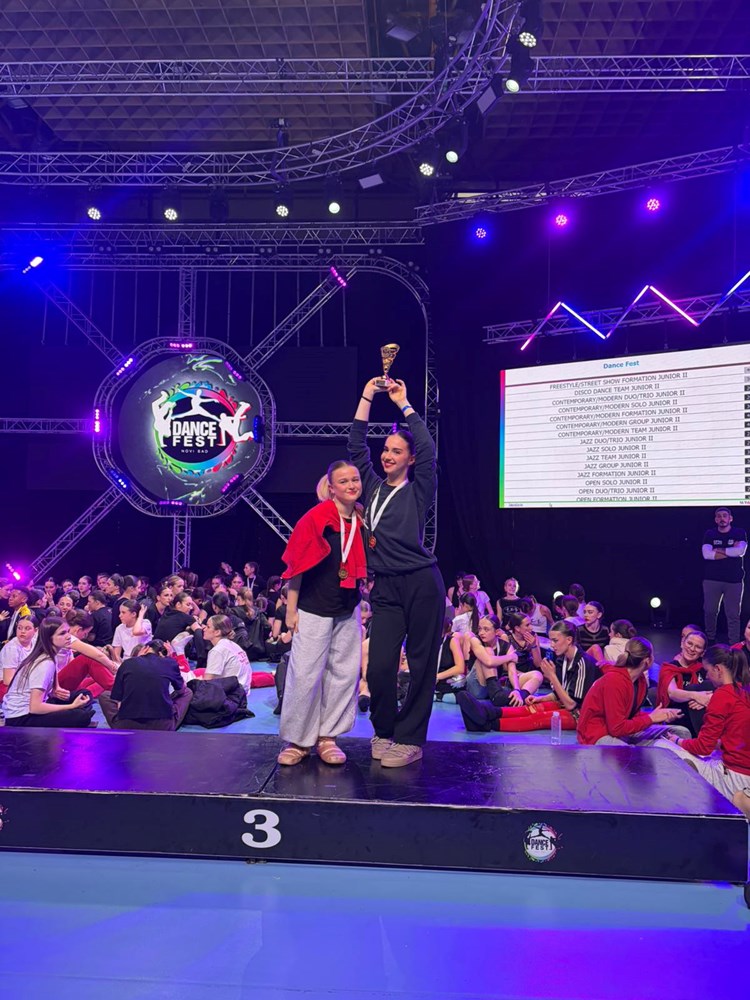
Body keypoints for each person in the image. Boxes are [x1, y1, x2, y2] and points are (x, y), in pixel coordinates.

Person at [348, 378, 444, 767]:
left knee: (421, 664)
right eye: (386, 449)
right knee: (379, 666)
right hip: (385, 587)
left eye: (396, 451)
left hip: (421, 582)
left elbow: (429, 450)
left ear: (410, 459)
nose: (387, 456)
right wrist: (367, 395)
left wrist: (404, 403)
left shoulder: (419, 489)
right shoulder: (371, 486)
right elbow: (356, 445)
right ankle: (384, 730)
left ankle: (410, 738)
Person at [275, 461, 367, 765]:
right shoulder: (316, 519)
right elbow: (296, 566)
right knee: (304, 674)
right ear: (332, 487)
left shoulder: (361, 519)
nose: (351, 485)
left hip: (347, 608)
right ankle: (298, 741)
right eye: (344, 481)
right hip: (312, 607)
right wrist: (290, 609)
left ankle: (328, 737)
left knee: (344, 674)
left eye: (355, 479)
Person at [661, 645, 750, 804]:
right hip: (743, 771)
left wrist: (677, 741)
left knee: (663, 746)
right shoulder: (743, 691)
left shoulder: (722, 695)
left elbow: (703, 747)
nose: (707, 676)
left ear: (718, 669)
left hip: (734, 777)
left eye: (708, 671)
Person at [577, 637, 689, 746]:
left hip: (623, 732)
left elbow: (632, 716)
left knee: (681, 732)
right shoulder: (614, 680)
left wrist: (660, 715)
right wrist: (651, 718)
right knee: (629, 754)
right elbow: (616, 728)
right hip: (599, 734)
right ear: (647, 660)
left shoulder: (640, 681)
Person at [2, 617, 94, 728]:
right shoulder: (44, 663)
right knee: (81, 716)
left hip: (38, 704)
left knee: (85, 694)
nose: (68, 636)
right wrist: (71, 706)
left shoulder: (51, 656)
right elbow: (35, 708)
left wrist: (55, 692)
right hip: (21, 717)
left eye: (68, 632)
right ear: (49, 638)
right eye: (62, 633)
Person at [98, 638, 192, 731]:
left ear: (145, 648)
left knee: (105, 695)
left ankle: (120, 725)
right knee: (187, 692)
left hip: (127, 725)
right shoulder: (169, 663)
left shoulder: (127, 663)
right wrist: (170, 659)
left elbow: (118, 699)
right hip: (162, 726)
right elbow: (181, 690)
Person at [702, 507, 747, 644]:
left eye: (724, 516)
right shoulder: (710, 534)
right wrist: (731, 551)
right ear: (716, 519)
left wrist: (719, 550)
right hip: (712, 579)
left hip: (734, 580)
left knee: (733, 614)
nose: (722, 518)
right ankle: (710, 640)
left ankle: (734, 644)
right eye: (719, 516)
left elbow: (740, 551)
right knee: (710, 611)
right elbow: (707, 554)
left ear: (730, 518)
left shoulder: (739, 533)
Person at [656, 628, 709, 736]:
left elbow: (717, 690)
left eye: (698, 647)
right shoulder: (669, 668)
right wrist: (697, 696)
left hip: (701, 721)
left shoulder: (705, 670)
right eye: (689, 643)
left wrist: (709, 697)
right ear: (682, 643)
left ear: (702, 653)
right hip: (676, 718)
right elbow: (673, 693)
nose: (692, 649)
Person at [56, 610, 118, 698]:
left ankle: (85, 696)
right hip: (55, 684)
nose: (84, 637)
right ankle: (119, 688)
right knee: (88, 658)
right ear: (78, 630)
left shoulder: (64, 638)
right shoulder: (67, 638)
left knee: (100, 677)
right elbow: (97, 655)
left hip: (62, 681)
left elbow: (72, 665)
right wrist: (112, 667)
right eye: (85, 634)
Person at [202, 614, 253, 695]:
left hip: (231, 695)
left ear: (217, 632)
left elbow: (207, 681)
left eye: (208, 627)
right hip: (243, 691)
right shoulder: (233, 645)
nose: (204, 628)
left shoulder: (217, 650)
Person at [0, 616, 37, 699]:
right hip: (5, 684)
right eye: (19, 628)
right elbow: (7, 680)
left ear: (35, 630)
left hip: (25, 680)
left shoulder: (35, 643)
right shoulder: (12, 648)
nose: (22, 631)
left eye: (27, 628)